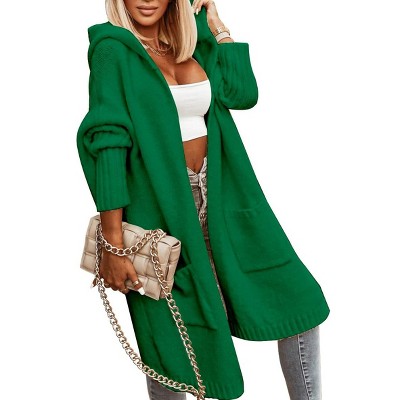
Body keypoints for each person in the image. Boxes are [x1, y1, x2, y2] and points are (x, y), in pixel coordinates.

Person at [76, 0, 330, 399]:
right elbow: (107, 140)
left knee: (296, 300)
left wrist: (218, 29)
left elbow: (241, 93)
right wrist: (113, 241)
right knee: (172, 339)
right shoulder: (112, 49)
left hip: (226, 198)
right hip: (160, 210)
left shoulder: (191, 40)